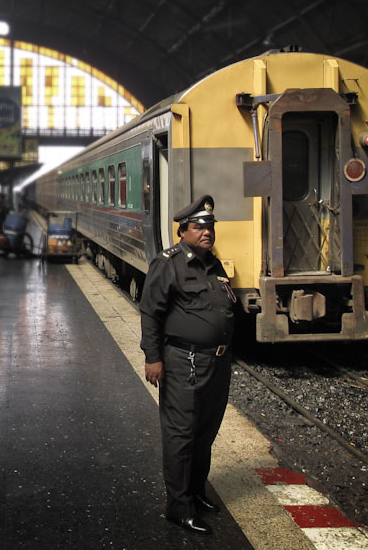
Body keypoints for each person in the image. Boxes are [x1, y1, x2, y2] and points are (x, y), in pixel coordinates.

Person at [139, 195, 237, 536]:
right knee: (181, 435)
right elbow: (151, 313)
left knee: (205, 433)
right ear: (183, 231)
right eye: (199, 226)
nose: (206, 232)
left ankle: (196, 493)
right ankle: (179, 508)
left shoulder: (214, 264)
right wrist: (153, 358)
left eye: (210, 226)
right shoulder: (168, 263)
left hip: (217, 363)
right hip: (185, 362)